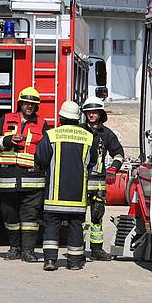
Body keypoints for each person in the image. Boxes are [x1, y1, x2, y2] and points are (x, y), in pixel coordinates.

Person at [34, 101, 97, 272]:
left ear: (61, 117)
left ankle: (50, 261)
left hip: (54, 195)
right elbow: (92, 162)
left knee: (51, 226)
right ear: (78, 118)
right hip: (78, 196)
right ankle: (75, 262)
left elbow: (40, 158)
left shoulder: (52, 134)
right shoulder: (88, 137)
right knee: (76, 226)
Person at [0, 87, 48, 262]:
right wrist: (7, 140)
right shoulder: (5, 119)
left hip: (32, 178)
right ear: (20, 103)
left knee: (30, 217)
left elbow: (46, 149)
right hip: (8, 177)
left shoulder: (42, 123)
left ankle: (28, 251)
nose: (29, 106)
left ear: (36, 106)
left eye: (33, 104)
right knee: (10, 215)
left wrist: (41, 165)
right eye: (26, 103)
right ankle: (14, 248)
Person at [81, 97, 125, 261]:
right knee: (78, 218)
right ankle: (78, 249)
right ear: (85, 113)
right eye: (89, 112)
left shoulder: (107, 134)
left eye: (95, 112)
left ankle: (97, 249)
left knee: (97, 217)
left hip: (98, 182)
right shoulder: (79, 130)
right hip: (81, 181)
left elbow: (119, 153)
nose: (91, 114)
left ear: (100, 114)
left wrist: (113, 168)